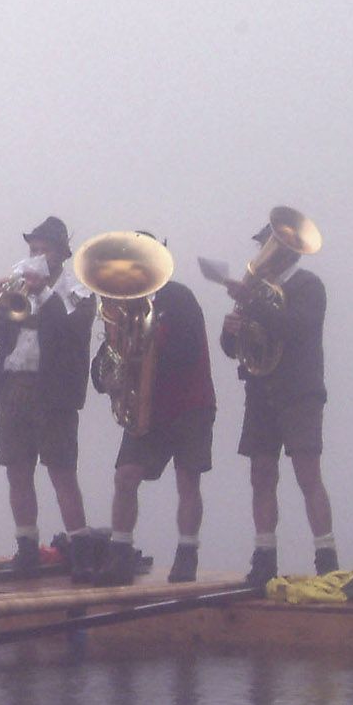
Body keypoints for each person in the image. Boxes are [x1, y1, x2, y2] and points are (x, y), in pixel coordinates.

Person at [0, 215, 94, 574]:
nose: (37, 255)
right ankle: (26, 548)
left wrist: (44, 293)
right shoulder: (16, 285)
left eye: (44, 250)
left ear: (61, 254)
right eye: (33, 249)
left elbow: (74, 331)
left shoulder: (77, 291)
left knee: (61, 472)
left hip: (53, 392)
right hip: (13, 387)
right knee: (17, 471)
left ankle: (81, 551)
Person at [216, 215, 335, 584]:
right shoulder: (256, 289)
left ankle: (326, 557)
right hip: (261, 389)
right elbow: (231, 349)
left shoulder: (308, 285)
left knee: (307, 474)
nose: (263, 254)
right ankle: (264, 556)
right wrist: (230, 329)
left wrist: (251, 302)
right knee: (261, 473)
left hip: (299, 391)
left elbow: (295, 329)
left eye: (269, 246)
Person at [97, 239, 216, 585]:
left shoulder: (178, 298)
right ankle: (120, 553)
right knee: (125, 477)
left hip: (190, 404)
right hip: (147, 407)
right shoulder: (120, 307)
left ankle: (186, 554)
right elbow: (106, 356)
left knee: (187, 480)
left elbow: (185, 352)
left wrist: (139, 361)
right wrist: (106, 375)